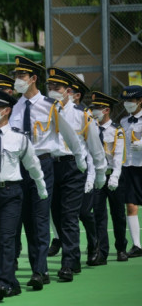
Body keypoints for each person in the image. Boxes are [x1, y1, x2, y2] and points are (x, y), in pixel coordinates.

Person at [9, 56, 85, 289]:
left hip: (43, 164)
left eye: (21, 76)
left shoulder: (49, 106)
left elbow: (70, 135)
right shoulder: (14, 106)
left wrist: (80, 159)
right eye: (16, 75)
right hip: (19, 166)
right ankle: (37, 267)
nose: (17, 80)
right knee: (25, 220)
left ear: (33, 78)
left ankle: (39, 271)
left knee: (41, 216)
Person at [0, 89, 48, 300]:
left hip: (11, 192)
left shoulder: (19, 138)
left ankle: (2, 283)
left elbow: (32, 163)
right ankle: (12, 282)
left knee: (6, 238)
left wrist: (41, 185)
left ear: (6, 110)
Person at [45, 68, 104, 280]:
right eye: (50, 87)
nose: (52, 90)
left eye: (57, 87)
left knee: (69, 215)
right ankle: (75, 258)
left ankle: (68, 263)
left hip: (73, 167)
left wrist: (99, 171)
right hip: (51, 166)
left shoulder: (81, 115)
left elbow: (94, 145)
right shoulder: (46, 111)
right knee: (57, 216)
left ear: (68, 91)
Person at [90, 91, 129, 263]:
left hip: (114, 176)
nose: (93, 111)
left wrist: (115, 176)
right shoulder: (91, 128)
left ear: (106, 110)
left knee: (118, 214)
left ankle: (121, 248)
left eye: (97, 108)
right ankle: (102, 252)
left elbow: (119, 154)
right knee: (99, 214)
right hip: (98, 176)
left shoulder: (116, 130)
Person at [120, 85, 142, 258]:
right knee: (130, 204)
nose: (128, 104)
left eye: (131, 100)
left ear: (140, 100)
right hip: (128, 166)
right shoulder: (124, 122)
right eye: (126, 101)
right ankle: (137, 245)